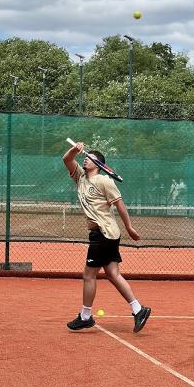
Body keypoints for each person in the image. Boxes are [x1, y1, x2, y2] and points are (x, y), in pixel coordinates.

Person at [62, 142, 151, 332]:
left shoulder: (104, 181)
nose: (85, 158)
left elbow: (120, 205)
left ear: (99, 164)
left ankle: (86, 316)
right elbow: (67, 159)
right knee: (113, 274)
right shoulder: (80, 177)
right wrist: (75, 149)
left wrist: (129, 227)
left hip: (104, 233)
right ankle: (138, 309)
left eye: (90, 157)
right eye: (85, 156)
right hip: (102, 233)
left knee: (88, 275)